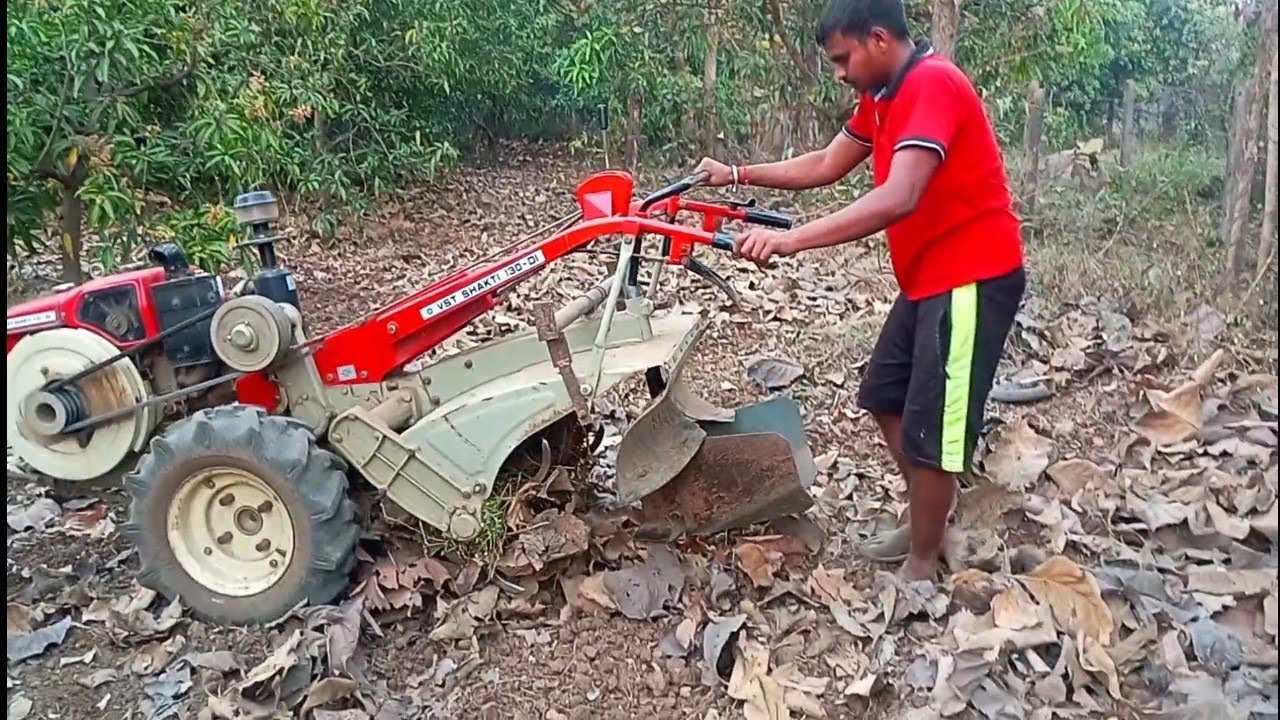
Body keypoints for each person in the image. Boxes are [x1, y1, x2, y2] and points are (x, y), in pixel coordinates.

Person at [695, 0, 1026, 581]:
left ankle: (923, 562)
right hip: (930, 278)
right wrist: (737, 174)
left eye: (844, 59)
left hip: (971, 278)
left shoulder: (934, 85)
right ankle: (931, 515)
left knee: (934, 434)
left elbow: (900, 195)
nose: (842, 72)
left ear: (878, 39)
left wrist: (793, 240)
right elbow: (827, 162)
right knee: (883, 396)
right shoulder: (882, 98)